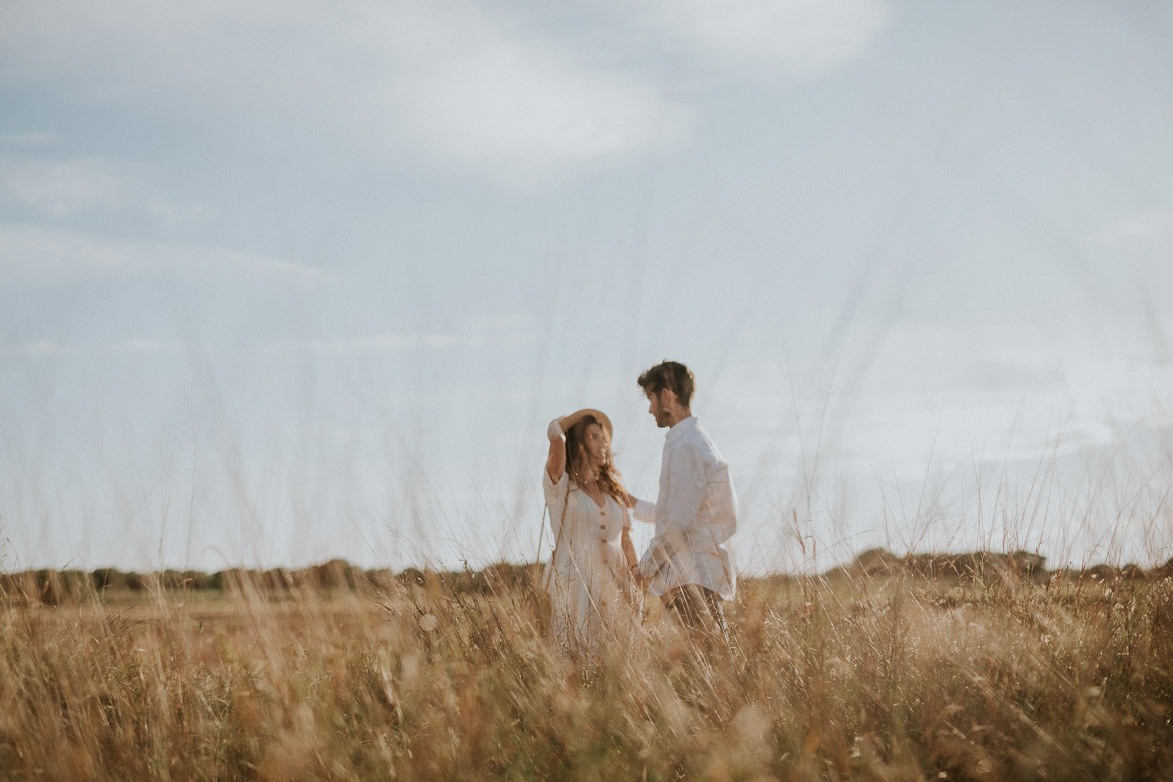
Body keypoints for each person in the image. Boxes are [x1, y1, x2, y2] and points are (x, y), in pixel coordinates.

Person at [626, 361, 737, 642]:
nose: (650, 409)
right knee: (710, 665)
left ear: (667, 395)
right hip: (694, 574)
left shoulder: (687, 445)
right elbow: (677, 513)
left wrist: (645, 569)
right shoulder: (688, 441)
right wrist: (631, 502)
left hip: (693, 577)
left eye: (651, 398)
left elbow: (675, 525)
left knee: (704, 669)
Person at [542, 408, 640, 655]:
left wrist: (635, 579)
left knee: (617, 662)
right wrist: (558, 428)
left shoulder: (613, 492)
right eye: (593, 437)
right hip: (575, 586)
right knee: (575, 660)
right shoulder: (562, 488)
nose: (603, 444)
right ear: (578, 443)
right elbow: (556, 442)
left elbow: (626, 539)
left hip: (615, 586)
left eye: (602, 437)